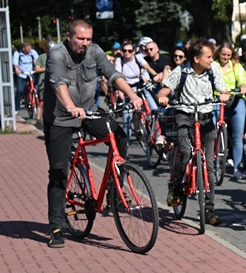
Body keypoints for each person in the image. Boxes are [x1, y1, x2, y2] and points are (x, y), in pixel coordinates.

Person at [43, 19, 143, 249]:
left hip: (89, 111)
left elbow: (112, 74)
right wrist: (69, 106)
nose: (85, 43)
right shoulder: (57, 54)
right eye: (81, 39)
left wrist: (131, 95)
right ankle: (57, 227)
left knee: (119, 136)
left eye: (88, 39)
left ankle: (112, 190)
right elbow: (58, 83)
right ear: (69, 36)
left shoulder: (95, 51)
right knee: (58, 171)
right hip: (60, 117)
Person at [158, 39, 230, 226]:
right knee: (185, 152)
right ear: (197, 58)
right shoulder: (180, 71)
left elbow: (224, 90)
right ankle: (175, 186)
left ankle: (209, 210)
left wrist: (224, 94)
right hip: (185, 116)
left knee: (210, 166)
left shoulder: (212, 71)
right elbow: (163, 91)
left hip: (206, 118)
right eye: (208, 57)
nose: (211, 60)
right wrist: (163, 98)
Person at [214, 43, 246, 180]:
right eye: (223, 54)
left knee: (237, 137)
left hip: (235, 100)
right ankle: (212, 164)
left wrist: (243, 86)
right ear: (218, 54)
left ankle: (237, 168)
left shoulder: (236, 66)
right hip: (217, 99)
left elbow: (242, 79)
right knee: (212, 133)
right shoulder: (213, 66)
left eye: (229, 55)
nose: (226, 57)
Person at [13, 41, 38, 111]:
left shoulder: (32, 52)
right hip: (22, 74)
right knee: (20, 91)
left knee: (35, 87)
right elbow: (15, 63)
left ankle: (36, 102)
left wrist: (36, 66)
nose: (30, 50)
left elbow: (37, 60)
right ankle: (17, 108)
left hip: (31, 73)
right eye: (28, 48)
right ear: (23, 49)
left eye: (30, 48)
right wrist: (17, 70)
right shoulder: (18, 53)